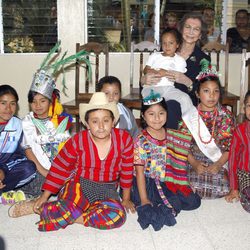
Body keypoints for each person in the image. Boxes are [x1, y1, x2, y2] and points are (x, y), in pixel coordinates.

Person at [9, 92, 136, 232]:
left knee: (117, 216)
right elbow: (60, 168)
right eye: (95, 121)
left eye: (106, 120)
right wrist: (44, 196)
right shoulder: (77, 141)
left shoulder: (124, 140)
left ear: (113, 122)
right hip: (79, 184)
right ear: (87, 124)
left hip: (108, 189)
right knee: (69, 206)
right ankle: (43, 206)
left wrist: (126, 198)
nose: (101, 126)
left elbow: (127, 170)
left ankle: (66, 213)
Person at [20, 41, 90, 198]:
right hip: (39, 168)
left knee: (81, 181)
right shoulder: (27, 122)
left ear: (52, 102)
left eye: (42, 101)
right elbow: (29, 151)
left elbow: (66, 149)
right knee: (32, 177)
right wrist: (46, 172)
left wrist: (61, 172)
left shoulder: (61, 120)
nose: (37, 105)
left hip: (59, 168)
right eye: (34, 101)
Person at [131, 90, 201, 231]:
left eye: (161, 113)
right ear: (143, 116)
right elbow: (139, 173)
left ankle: (166, 199)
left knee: (194, 202)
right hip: (149, 182)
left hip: (170, 178)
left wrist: (188, 176)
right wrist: (144, 199)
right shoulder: (141, 141)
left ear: (166, 114)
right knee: (171, 204)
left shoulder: (171, 134)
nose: (157, 118)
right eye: (151, 114)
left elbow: (181, 157)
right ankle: (148, 200)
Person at [179, 60, 235, 199]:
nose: (211, 95)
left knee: (223, 184)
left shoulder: (226, 116)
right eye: (206, 91)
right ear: (197, 94)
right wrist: (195, 164)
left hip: (219, 157)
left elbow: (230, 146)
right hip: (194, 158)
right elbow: (183, 145)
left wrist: (218, 165)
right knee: (184, 182)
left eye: (216, 91)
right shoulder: (189, 116)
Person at [142, 12, 211, 107]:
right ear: (181, 29)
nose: (191, 32)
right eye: (187, 27)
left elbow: (207, 90)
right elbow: (148, 72)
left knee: (171, 107)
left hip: (186, 102)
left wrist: (188, 82)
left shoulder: (204, 60)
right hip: (160, 99)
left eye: (196, 29)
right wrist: (144, 79)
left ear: (200, 35)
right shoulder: (166, 49)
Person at [142, 28, 193, 116]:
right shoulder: (155, 56)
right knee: (152, 102)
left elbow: (176, 76)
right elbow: (146, 70)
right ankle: (151, 122)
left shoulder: (179, 61)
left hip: (169, 89)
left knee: (185, 98)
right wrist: (157, 72)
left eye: (171, 43)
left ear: (177, 45)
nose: (167, 46)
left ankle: (189, 123)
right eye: (164, 43)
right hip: (152, 87)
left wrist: (164, 72)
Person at [0, 85, 36, 202]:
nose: (8, 108)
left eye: (12, 103)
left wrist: (3, 170)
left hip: (6, 168)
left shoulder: (18, 126)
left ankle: (3, 191)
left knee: (29, 168)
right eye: (3, 103)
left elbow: (20, 155)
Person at [225, 90, 250, 212]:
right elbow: (233, 159)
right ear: (244, 108)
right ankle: (242, 192)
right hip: (246, 174)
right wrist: (234, 188)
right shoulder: (239, 130)